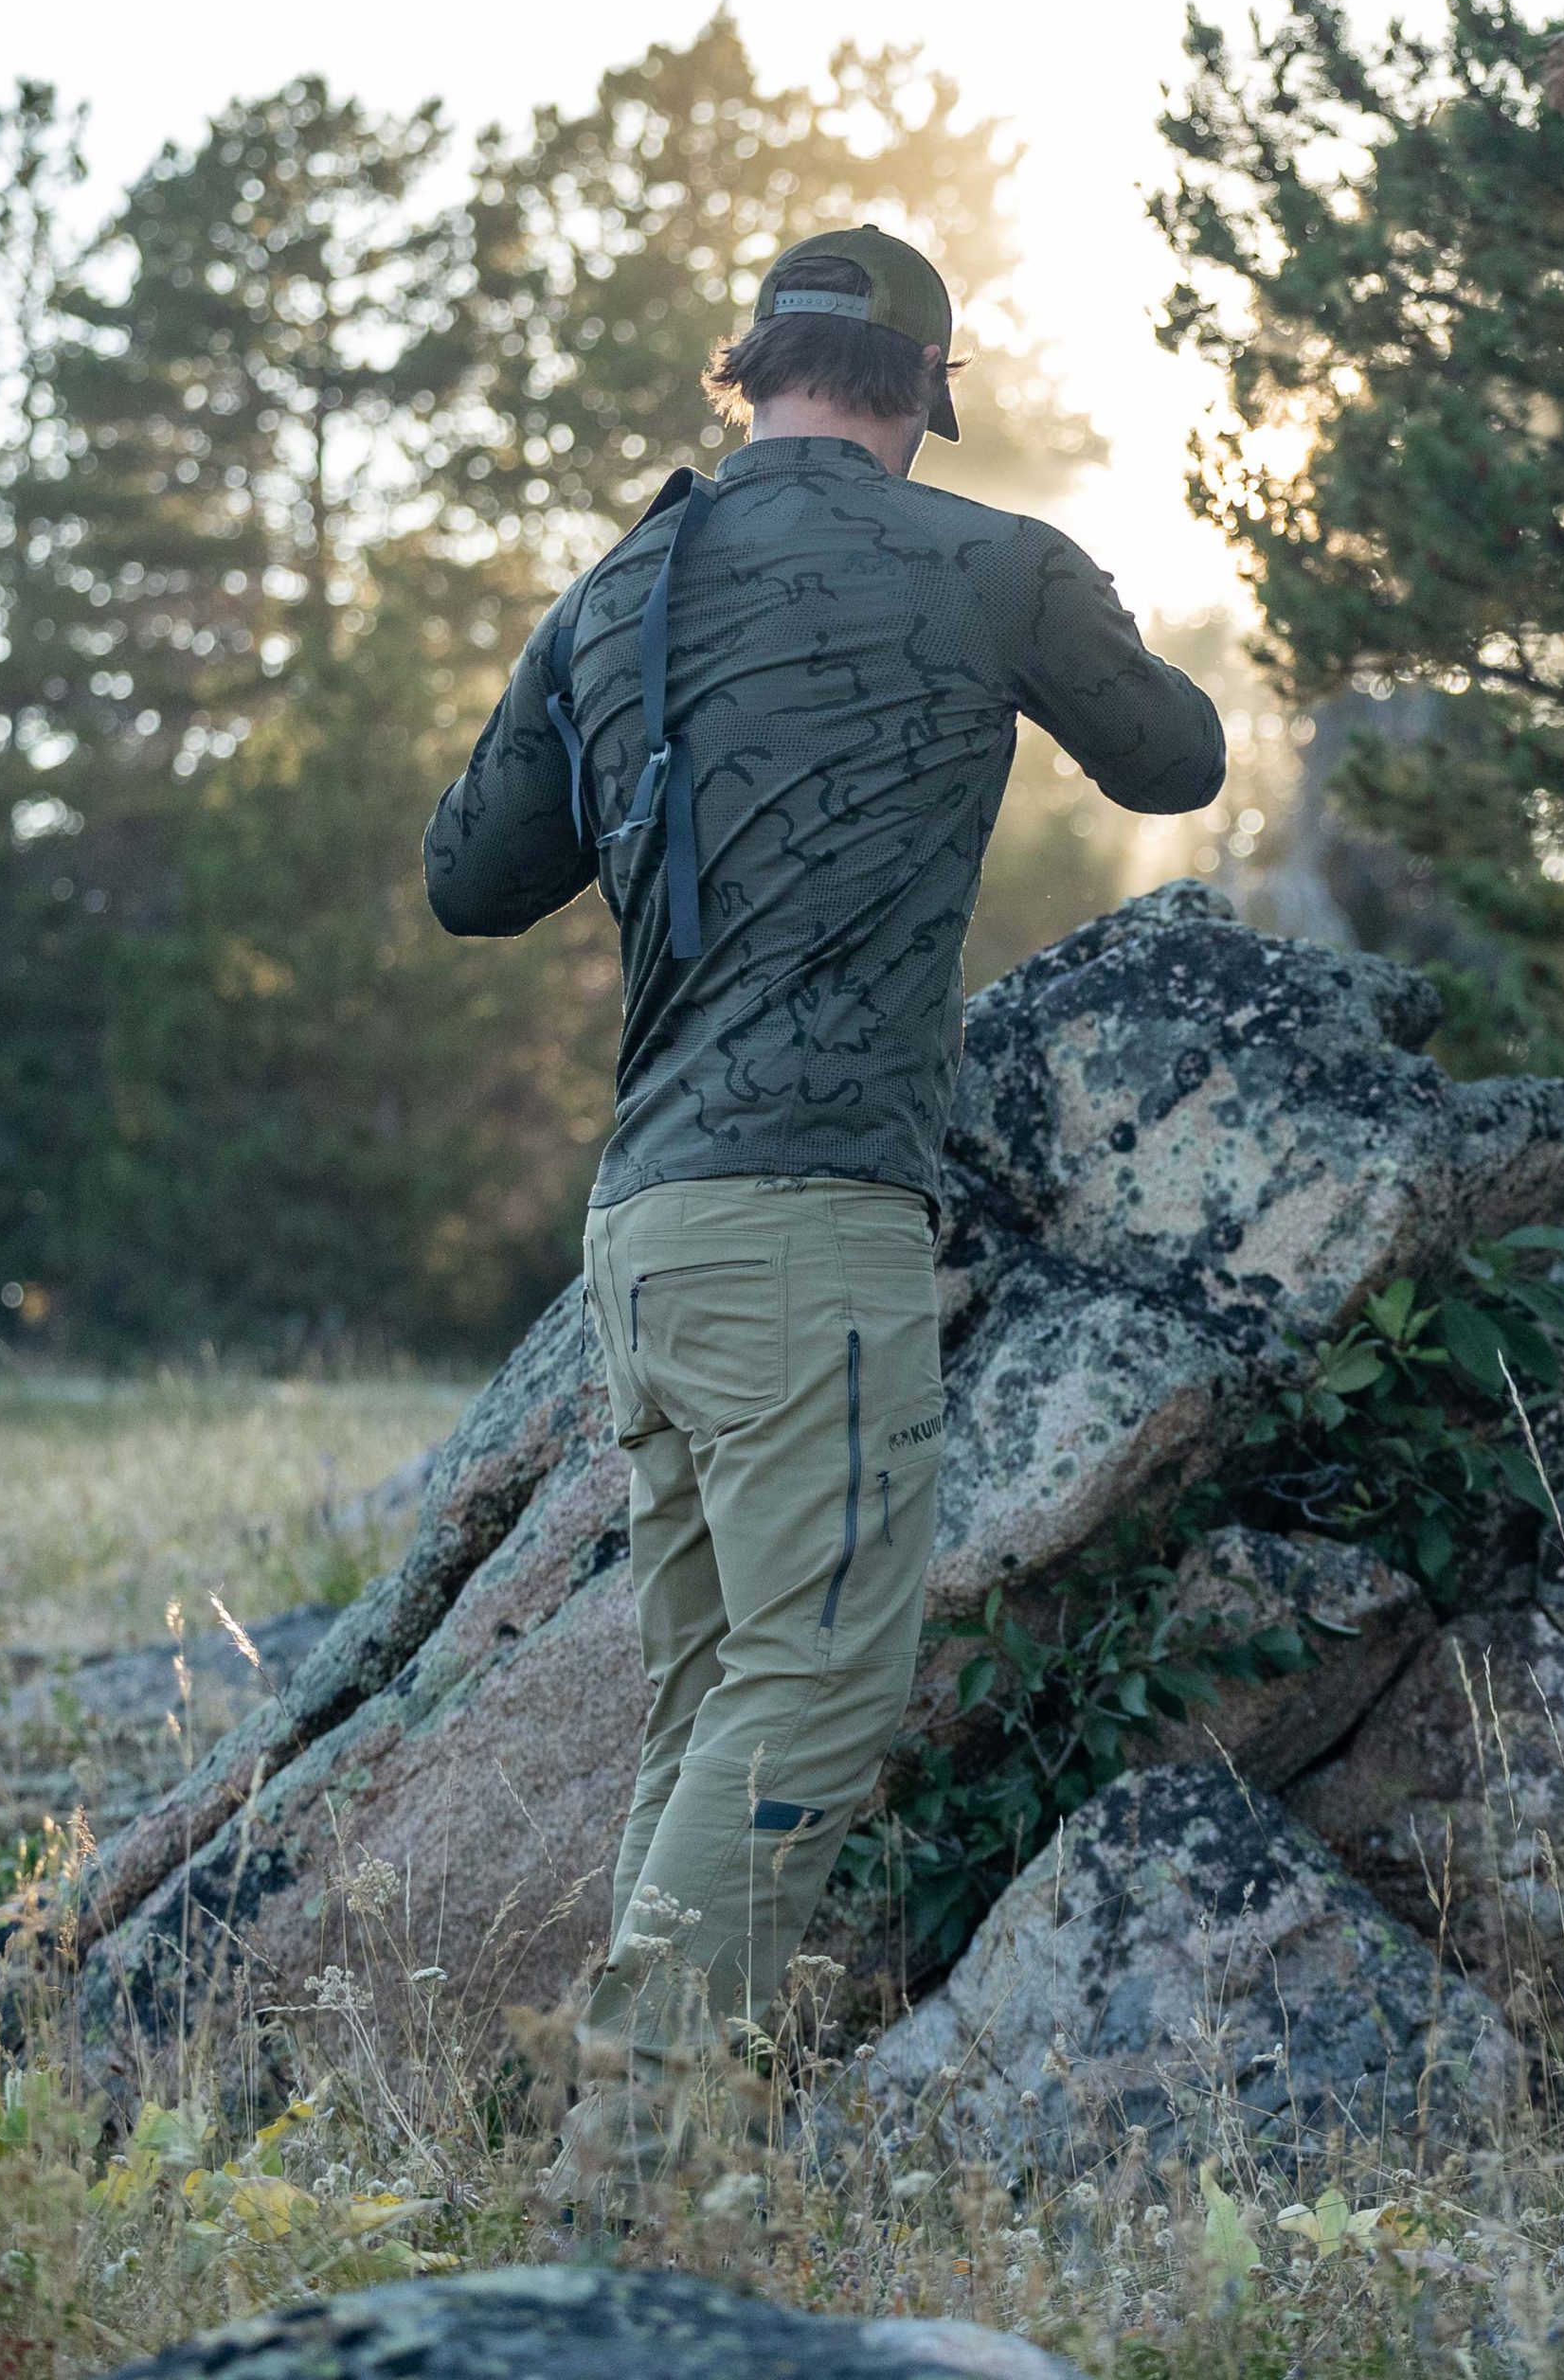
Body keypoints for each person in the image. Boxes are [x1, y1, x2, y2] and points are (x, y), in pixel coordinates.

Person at [422, 224, 1225, 2194]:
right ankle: (620, 2162)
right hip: (811, 1221)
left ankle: (654, 2161)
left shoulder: (616, 588)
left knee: (713, 1694)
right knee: (817, 1684)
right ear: (923, 393)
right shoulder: (983, 564)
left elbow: (469, 878)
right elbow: (1176, 754)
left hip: (649, 1234)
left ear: (753, 367)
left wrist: (609, 668)